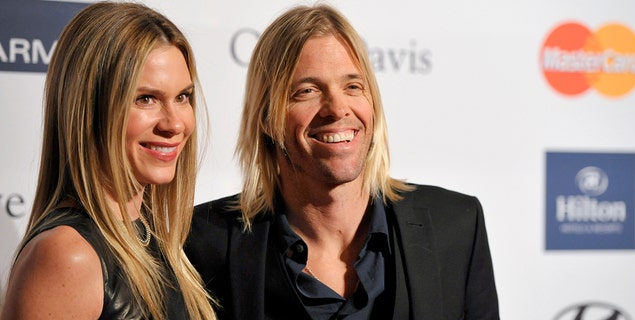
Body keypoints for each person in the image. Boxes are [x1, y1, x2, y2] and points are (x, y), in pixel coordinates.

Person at [185, 3, 499, 320]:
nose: (337, 108)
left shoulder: (456, 225)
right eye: (307, 90)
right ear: (266, 117)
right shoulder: (203, 243)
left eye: (353, 86)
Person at [0, 2, 217, 319]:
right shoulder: (67, 256)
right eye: (146, 99)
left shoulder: (149, 235)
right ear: (89, 110)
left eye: (182, 97)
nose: (175, 124)